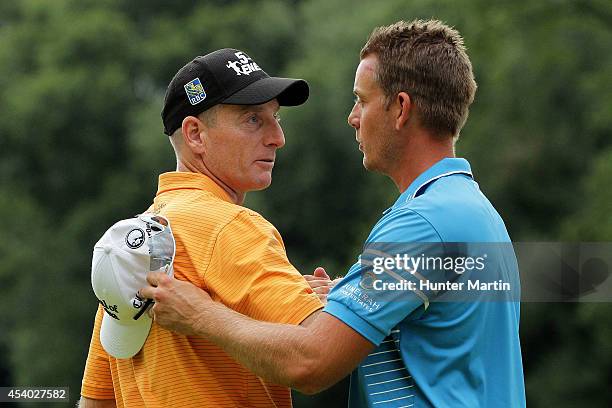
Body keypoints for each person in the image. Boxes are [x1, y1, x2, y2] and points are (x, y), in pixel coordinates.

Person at [140, 20, 526, 407]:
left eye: (362, 99)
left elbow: (311, 362)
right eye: (253, 118)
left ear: (401, 109)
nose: (352, 117)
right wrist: (346, 295)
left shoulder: (421, 224)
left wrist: (199, 314)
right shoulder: (470, 210)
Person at [80, 48, 329, 408]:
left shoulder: (131, 243)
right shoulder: (233, 226)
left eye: (276, 118)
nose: (278, 137)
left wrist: (297, 300)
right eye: (253, 120)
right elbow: (312, 358)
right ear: (195, 135)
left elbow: (95, 402)